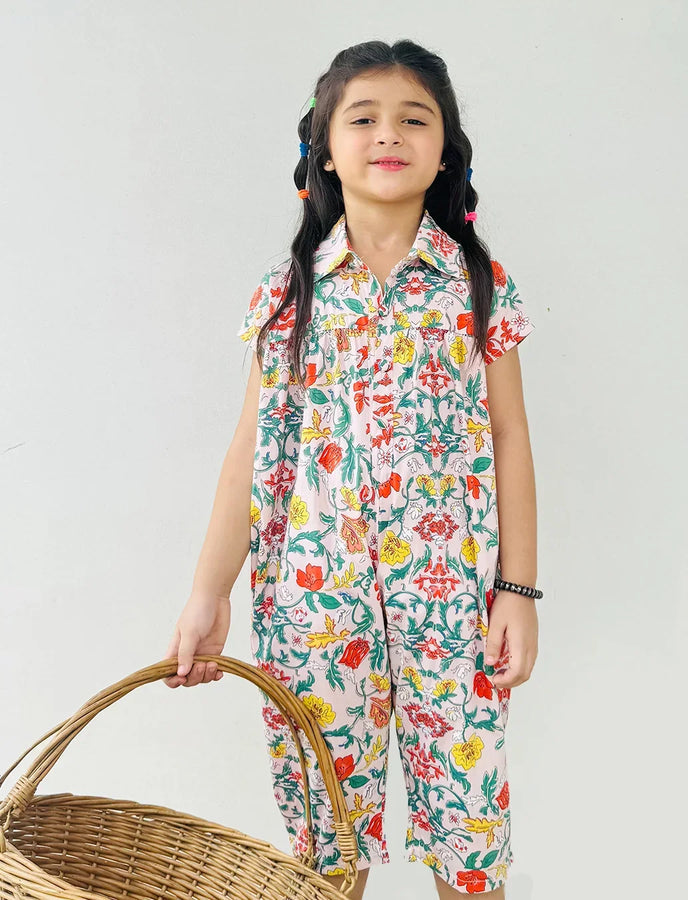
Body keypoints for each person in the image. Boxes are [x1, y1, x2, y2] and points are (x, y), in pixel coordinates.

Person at [163, 39, 541, 900]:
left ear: (445, 150)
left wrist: (518, 592)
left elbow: (513, 438)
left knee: (471, 834)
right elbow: (247, 455)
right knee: (326, 848)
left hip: (453, 604)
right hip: (312, 602)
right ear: (323, 150)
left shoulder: (478, 287)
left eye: (415, 118)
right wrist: (208, 592)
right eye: (361, 118)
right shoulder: (289, 293)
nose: (388, 134)